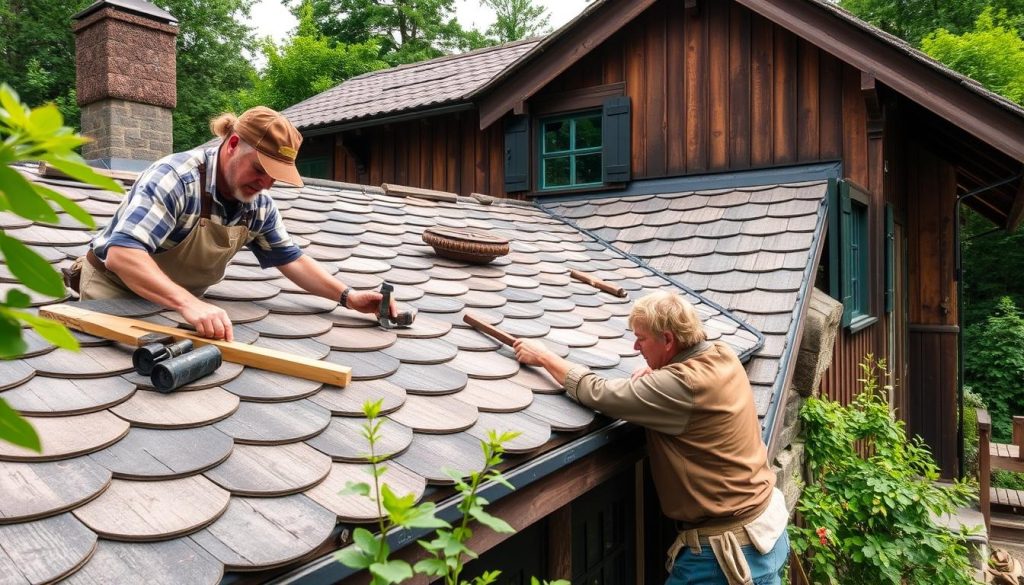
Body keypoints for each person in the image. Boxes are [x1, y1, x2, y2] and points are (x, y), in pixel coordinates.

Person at [513, 290, 789, 585]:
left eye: (641, 338)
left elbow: (598, 391)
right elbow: (683, 380)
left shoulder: (682, 384)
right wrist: (664, 368)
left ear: (668, 340)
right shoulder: (721, 354)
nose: (635, 346)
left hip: (724, 558)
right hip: (766, 532)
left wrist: (543, 356)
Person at [75, 106, 393, 341]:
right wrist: (188, 304)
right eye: (259, 169)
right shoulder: (175, 179)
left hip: (177, 304)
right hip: (115, 293)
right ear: (232, 144)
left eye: (274, 177)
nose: (265, 184)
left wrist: (349, 297)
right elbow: (123, 254)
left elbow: (291, 259)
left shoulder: (258, 205)